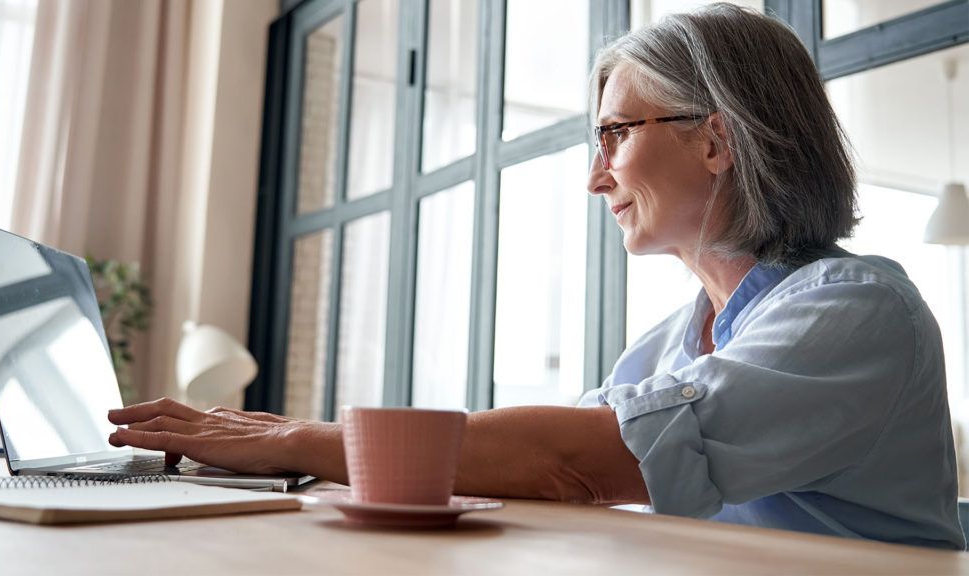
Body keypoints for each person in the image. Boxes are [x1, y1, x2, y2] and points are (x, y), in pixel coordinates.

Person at [108, 3, 965, 550]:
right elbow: (539, 458)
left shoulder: (860, 311)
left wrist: (297, 442)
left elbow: (584, 460)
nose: (597, 179)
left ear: (716, 140)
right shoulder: (671, 343)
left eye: (614, 136)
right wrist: (293, 450)